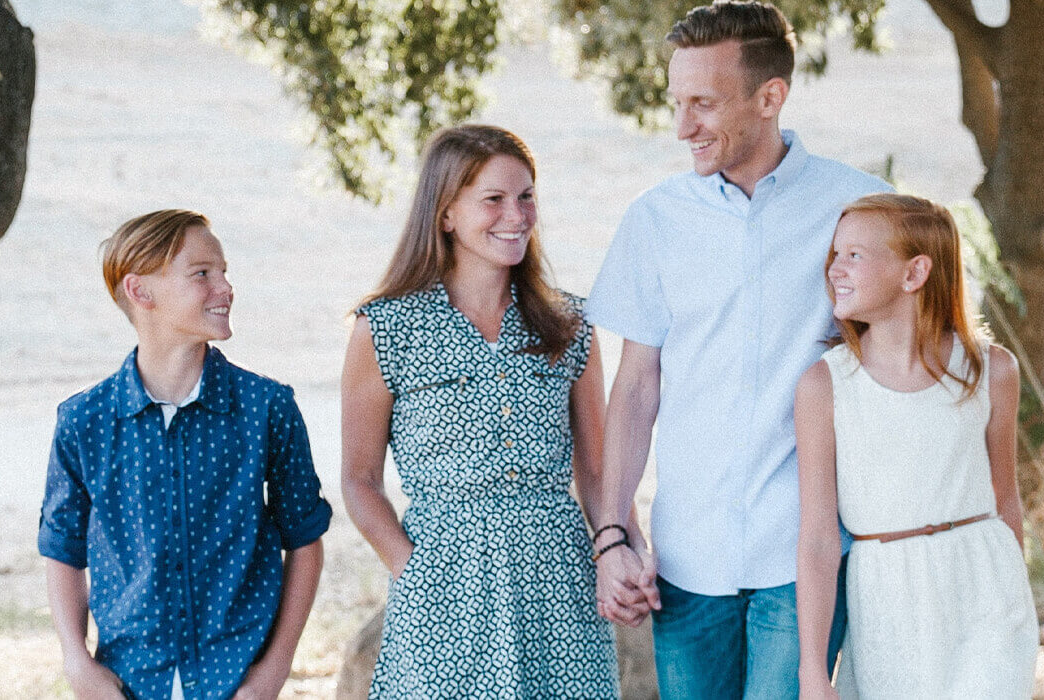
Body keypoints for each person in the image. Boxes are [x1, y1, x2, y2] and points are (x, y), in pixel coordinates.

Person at [584, 2, 894, 696]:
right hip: (688, 559)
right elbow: (635, 389)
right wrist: (611, 536)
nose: (681, 127)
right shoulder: (656, 220)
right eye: (676, 102)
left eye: (702, 103)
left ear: (770, 96)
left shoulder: (863, 210)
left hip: (809, 554)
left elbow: (903, 372)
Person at [340, 124, 620, 697]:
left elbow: (597, 472)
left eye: (526, 197)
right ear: (446, 214)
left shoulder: (570, 325)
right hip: (442, 581)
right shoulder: (387, 328)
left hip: (557, 577)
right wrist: (411, 570)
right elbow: (359, 480)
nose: (516, 215)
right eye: (493, 199)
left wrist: (616, 550)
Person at [38, 209, 333, 700]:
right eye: (202, 274)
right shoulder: (83, 421)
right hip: (127, 681)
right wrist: (77, 661)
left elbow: (305, 540)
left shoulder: (266, 409)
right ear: (140, 291)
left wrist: (272, 673)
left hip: (238, 678)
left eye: (224, 273)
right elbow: (62, 548)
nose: (225, 287)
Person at [794, 193, 1038, 698]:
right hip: (886, 598)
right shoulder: (825, 385)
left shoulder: (992, 371)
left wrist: (1018, 600)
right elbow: (818, 538)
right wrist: (813, 671)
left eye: (855, 255)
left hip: (985, 592)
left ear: (914, 273)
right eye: (834, 255)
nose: (836, 269)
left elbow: (1005, 498)